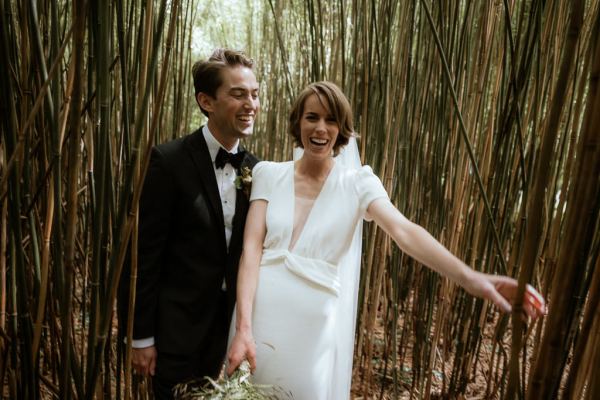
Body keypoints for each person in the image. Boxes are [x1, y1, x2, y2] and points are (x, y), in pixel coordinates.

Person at [225, 81, 546, 399]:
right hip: (258, 321)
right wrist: (243, 328)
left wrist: (471, 278)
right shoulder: (268, 173)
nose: (321, 128)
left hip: (311, 333)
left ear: (342, 128)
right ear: (298, 122)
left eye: (331, 119)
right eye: (312, 117)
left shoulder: (358, 183)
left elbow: (405, 232)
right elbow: (251, 252)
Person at [121, 48, 260, 399]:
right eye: (238, 94)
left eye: (255, 94)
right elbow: (143, 257)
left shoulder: (258, 171)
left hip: (229, 337)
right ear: (206, 101)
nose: (251, 104)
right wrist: (141, 337)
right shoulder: (168, 162)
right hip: (175, 335)